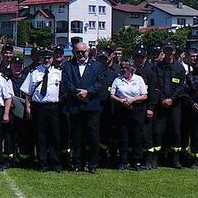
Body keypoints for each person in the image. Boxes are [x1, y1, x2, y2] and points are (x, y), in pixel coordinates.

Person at [61, 42, 106, 173]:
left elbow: (100, 82)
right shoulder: (68, 65)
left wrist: (88, 92)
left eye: (83, 52)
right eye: (78, 52)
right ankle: (77, 163)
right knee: (76, 137)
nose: (81, 54)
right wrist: (77, 93)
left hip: (91, 106)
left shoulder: (97, 66)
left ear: (88, 52)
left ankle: (92, 165)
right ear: (74, 53)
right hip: (75, 105)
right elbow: (66, 82)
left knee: (93, 137)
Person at [21, 48, 63, 172]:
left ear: (52, 59)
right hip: (39, 107)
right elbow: (27, 93)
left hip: (53, 107)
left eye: (49, 58)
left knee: (54, 136)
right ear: (40, 59)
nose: (46, 60)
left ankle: (55, 162)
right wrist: (28, 108)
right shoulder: (34, 73)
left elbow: (62, 91)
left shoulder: (58, 73)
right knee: (41, 136)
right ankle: (43, 163)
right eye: (44, 58)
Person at [152, 44, 188, 168]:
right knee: (158, 131)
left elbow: (182, 87)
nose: (168, 52)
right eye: (166, 50)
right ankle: (156, 158)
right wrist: (163, 99)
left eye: (170, 50)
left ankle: (175, 159)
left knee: (175, 132)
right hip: (160, 104)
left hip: (175, 105)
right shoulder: (157, 67)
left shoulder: (179, 68)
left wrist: (172, 99)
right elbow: (155, 85)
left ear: (174, 52)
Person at [110, 61, 148, 171]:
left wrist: (132, 100)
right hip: (122, 109)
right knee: (123, 137)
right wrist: (121, 100)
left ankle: (137, 161)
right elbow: (112, 95)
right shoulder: (117, 80)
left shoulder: (139, 79)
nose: (122, 69)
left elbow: (144, 95)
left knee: (137, 136)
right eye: (121, 68)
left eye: (125, 68)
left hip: (136, 109)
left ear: (131, 69)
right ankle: (123, 161)